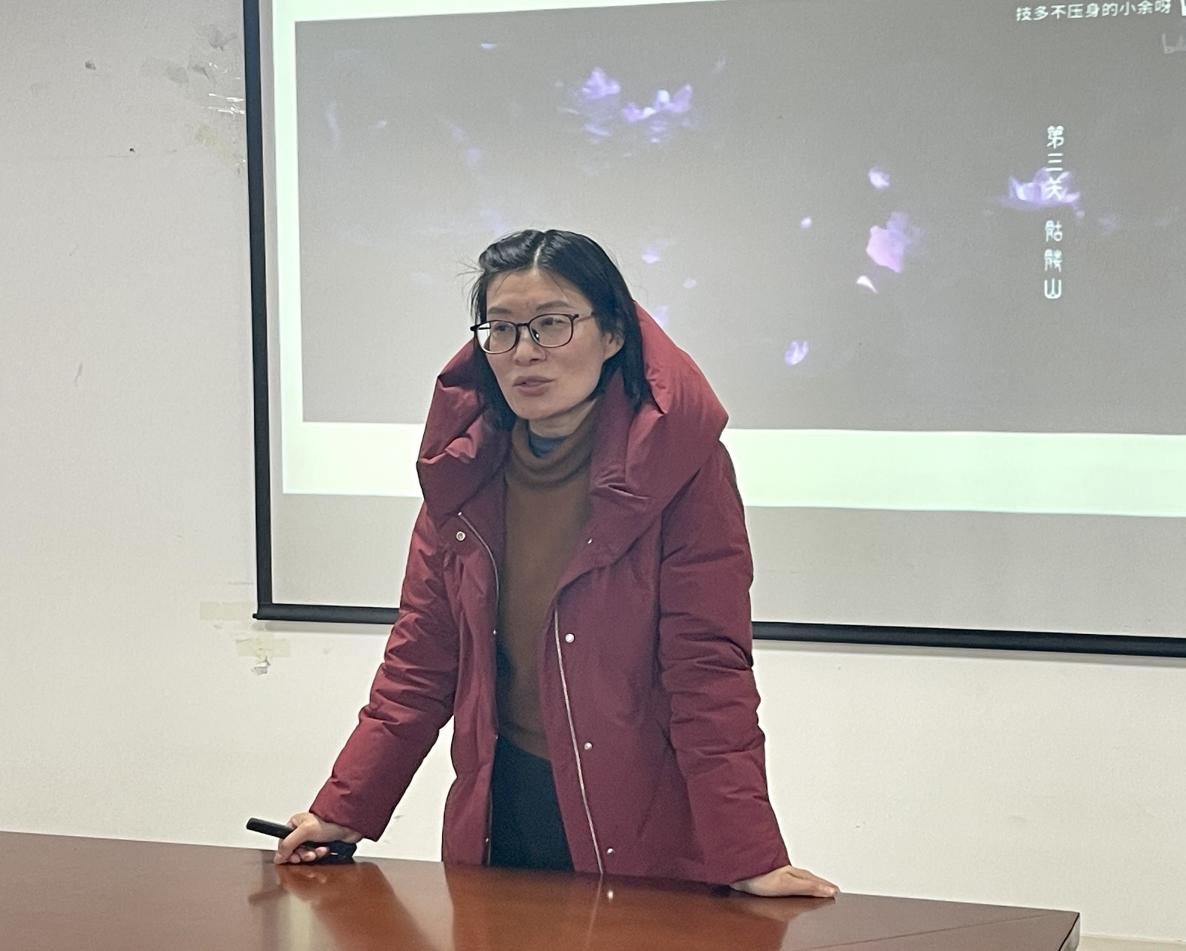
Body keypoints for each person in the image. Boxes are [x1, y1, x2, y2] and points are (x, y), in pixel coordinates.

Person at [276, 229, 836, 899]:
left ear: (614, 333)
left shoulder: (681, 470)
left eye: (552, 324)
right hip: (499, 813)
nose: (525, 353)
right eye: (502, 329)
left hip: (638, 823)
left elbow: (706, 670)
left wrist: (749, 853)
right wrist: (345, 809)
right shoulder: (464, 475)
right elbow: (419, 662)